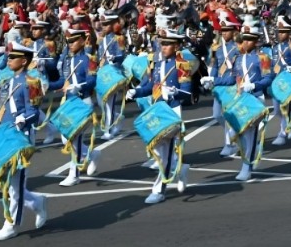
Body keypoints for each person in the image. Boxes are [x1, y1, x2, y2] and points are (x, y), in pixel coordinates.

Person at [0, 42, 47, 241]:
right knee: (9, 182)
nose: (9, 60)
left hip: (21, 136)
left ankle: (11, 224)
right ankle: (37, 202)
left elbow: (34, 112)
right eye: (9, 57)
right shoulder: (7, 81)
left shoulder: (31, 83)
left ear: (24, 61)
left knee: (15, 183)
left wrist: (24, 120)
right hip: (6, 133)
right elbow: (3, 108)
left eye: (13, 57)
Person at [125, 30, 191, 204]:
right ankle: (180, 169)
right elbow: (149, 87)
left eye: (167, 44)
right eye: (162, 44)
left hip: (172, 110)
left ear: (176, 46)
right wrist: (136, 91)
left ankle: (159, 189)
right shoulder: (155, 64)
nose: (163, 47)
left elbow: (188, 93)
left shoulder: (182, 64)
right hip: (157, 109)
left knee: (167, 152)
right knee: (157, 151)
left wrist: (175, 92)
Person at [208, 20, 273, 181]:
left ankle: (246, 167)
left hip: (255, 98)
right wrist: (213, 80)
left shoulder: (263, 57)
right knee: (237, 133)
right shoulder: (237, 58)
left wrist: (254, 85)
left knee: (249, 135)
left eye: (250, 39)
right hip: (239, 99)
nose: (245, 42)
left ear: (256, 40)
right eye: (244, 39)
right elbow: (231, 78)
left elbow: (268, 77)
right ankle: (251, 155)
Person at [48, 29, 100, 186]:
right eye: (69, 42)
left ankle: (74, 174)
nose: (70, 44)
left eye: (74, 41)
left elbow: (92, 80)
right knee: (65, 138)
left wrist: (79, 86)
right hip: (69, 103)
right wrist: (47, 85)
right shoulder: (68, 61)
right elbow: (62, 81)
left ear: (83, 42)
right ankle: (91, 155)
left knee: (74, 138)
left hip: (83, 102)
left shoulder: (89, 59)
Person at [201, 16, 240, 157]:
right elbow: (216, 67)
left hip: (232, 85)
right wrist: (211, 79)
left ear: (233, 32)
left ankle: (229, 144)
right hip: (219, 85)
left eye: (227, 30)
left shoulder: (237, 49)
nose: (224, 33)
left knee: (228, 115)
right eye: (222, 30)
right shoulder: (218, 49)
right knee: (217, 114)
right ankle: (234, 135)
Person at [271, 16, 291, 146]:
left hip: (288, 81)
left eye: (283, 31)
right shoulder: (274, 48)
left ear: (289, 32)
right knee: (277, 109)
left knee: (284, 108)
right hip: (277, 82)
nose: (280, 34)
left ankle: (282, 133)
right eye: (279, 31)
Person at [96, 13, 126, 139]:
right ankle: (118, 117)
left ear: (114, 24)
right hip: (102, 72)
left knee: (109, 103)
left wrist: (114, 58)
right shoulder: (101, 39)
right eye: (103, 24)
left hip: (113, 73)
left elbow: (122, 54)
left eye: (107, 24)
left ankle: (108, 129)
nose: (104, 26)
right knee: (100, 102)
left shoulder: (118, 38)